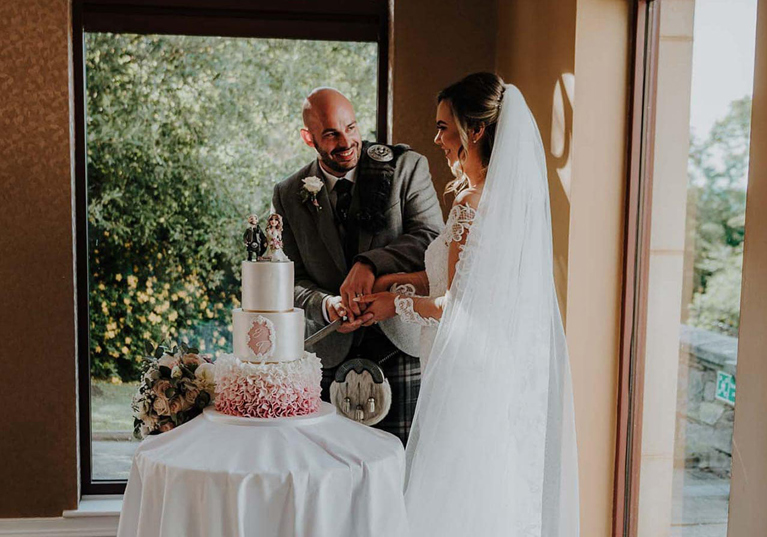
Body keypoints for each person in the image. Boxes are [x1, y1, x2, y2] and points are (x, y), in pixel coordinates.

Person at [357, 73, 580, 535]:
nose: (436, 138)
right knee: (484, 488)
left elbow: (454, 308)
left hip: (461, 372)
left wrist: (389, 304)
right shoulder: (503, 205)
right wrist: (398, 279)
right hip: (490, 368)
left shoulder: (471, 206)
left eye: (443, 126)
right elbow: (461, 281)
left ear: (473, 130)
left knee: (451, 492)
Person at [272, 87, 444, 444]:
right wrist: (326, 304)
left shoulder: (405, 168)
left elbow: (431, 238)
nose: (347, 141)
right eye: (331, 134)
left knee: (400, 475)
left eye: (351, 127)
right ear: (309, 138)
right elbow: (287, 280)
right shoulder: (288, 194)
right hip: (328, 358)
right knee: (330, 476)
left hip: (400, 348)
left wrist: (370, 263)